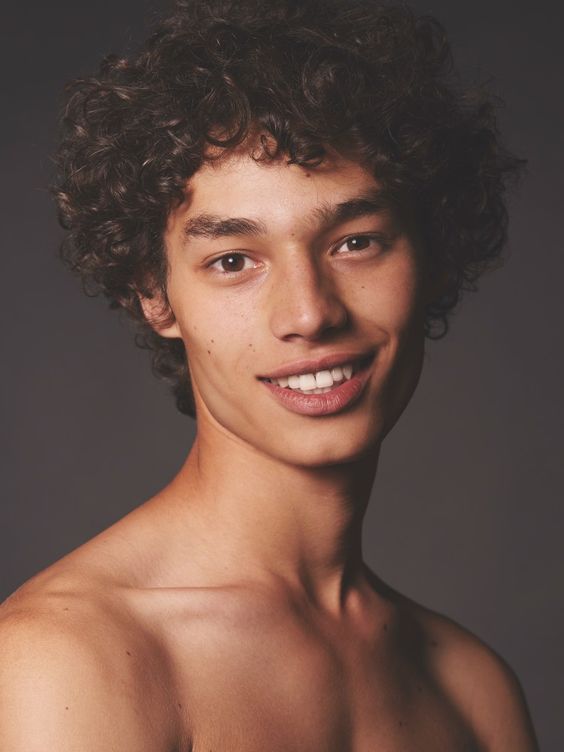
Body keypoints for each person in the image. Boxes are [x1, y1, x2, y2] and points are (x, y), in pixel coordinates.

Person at [0, 0, 538, 749]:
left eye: (355, 242)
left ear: (430, 254)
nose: (309, 312)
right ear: (156, 296)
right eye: (233, 260)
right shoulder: (69, 660)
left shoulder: (475, 693)